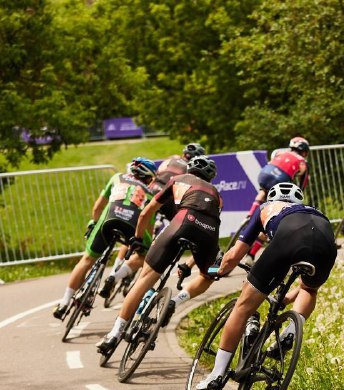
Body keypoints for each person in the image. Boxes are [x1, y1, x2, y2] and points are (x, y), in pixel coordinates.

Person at [195, 182, 338, 390]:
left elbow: (234, 256)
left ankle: (216, 374)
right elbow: (303, 286)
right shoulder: (313, 211)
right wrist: (288, 298)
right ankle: (291, 329)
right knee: (309, 289)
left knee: (243, 307)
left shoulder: (265, 208)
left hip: (289, 236)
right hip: (325, 240)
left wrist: (216, 271)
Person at [96, 155, 223, 355]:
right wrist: (189, 265)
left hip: (181, 223)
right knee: (212, 273)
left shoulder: (176, 180)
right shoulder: (217, 194)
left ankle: (114, 334)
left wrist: (137, 238)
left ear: (188, 169)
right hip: (209, 235)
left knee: (145, 279)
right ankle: (176, 301)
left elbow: (147, 212)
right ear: (211, 178)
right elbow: (205, 227)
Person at [53, 157, 157, 319]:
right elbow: (147, 224)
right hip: (131, 227)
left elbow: (98, 206)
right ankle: (115, 276)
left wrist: (93, 223)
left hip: (107, 222)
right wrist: (143, 241)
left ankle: (64, 303)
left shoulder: (116, 178)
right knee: (145, 256)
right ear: (148, 177)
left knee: (87, 259)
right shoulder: (151, 194)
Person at [100, 142, 207, 296]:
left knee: (138, 229)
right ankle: (155, 255)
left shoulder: (171, 158)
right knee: (173, 228)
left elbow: (158, 173)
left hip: (153, 188)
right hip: (171, 194)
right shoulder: (190, 168)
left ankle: (117, 265)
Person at [242, 137, 311, 264]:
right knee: (272, 214)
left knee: (263, 191)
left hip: (263, 174)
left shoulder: (280, 152)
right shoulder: (303, 162)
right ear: (304, 151)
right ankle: (251, 255)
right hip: (280, 179)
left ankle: (249, 214)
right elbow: (302, 185)